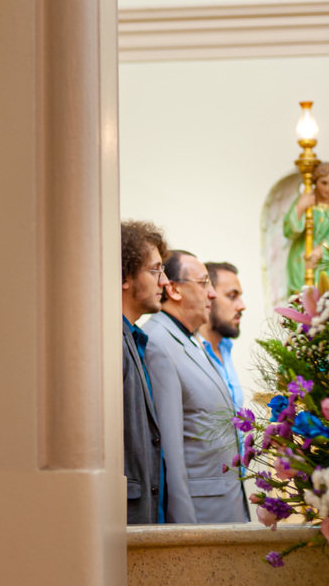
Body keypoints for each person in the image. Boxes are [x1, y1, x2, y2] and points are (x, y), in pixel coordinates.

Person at [142, 252, 249, 524]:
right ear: (174, 289)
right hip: (201, 516)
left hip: (225, 505)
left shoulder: (189, 340)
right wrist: (184, 531)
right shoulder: (158, 342)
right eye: (204, 283)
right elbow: (169, 452)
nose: (211, 295)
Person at [120, 220, 169, 524]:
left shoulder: (132, 337)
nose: (164, 281)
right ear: (125, 276)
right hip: (125, 518)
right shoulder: (108, 340)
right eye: (155, 270)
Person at [283, 161, 329, 293]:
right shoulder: (307, 199)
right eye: (324, 183)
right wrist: (301, 206)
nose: (328, 188)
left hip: (324, 256)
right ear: (316, 182)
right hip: (302, 256)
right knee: (301, 293)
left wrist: (320, 251)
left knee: (327, 290)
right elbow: (289, 231)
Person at [197, 262, 244, 411]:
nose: (242, 306)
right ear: (208, 296)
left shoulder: (225, 347)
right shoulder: (191, 351)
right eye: (232, 296)